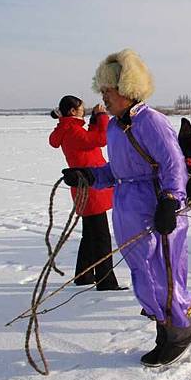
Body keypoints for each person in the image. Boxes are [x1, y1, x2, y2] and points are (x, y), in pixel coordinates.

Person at [60, 49, 191, 367]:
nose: (104, 99)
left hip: (157, 210)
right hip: (127, 208)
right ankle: (165, 329)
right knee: (144, 274)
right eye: (103, 92)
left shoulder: (152, 121)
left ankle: (180, 331)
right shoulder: (113, 127)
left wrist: (169, 201)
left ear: (126, 90)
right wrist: (88, 177)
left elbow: (173, 164)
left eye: (108, 92)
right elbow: (116, 171)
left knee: (161, 274)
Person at [49, 96, 122, 291]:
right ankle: (106, 281)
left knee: (90, 235)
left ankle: (84, 275)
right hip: (91, 188)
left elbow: (89, 141)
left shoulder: (69, 129)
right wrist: (102, 116)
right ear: (73, 111)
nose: (84, 110)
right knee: (101, 238)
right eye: (81, 108)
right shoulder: (72, 130)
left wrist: (92, 122)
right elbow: (101, 139)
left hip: (87, 187)